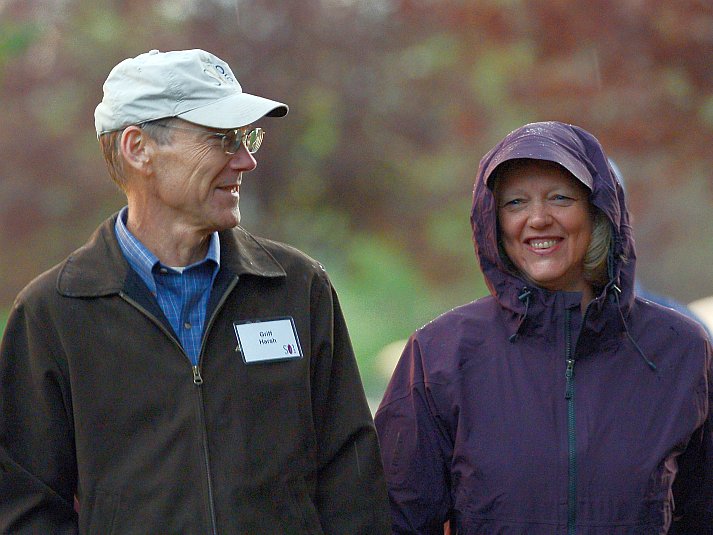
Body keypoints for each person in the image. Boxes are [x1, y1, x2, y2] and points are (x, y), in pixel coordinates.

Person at [0, 48, 391, 534]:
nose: (245, 161)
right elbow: (25, 510)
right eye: (222, 140)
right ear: (138, 147)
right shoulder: (53, 313)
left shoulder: (299, 288)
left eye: (246, 139)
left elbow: (352, 485)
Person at [374, 121, 713, 533]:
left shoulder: (680, 349)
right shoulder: (439, 354)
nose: (537, 218)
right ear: (492, 222)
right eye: (515, 203)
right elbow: (396, 520)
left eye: (560, 198)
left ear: (599, 211)